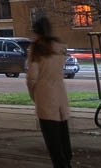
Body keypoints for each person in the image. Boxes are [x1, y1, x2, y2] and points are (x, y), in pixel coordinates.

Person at [26, 16, 72, 168]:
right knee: (63, 138)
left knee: (53, 143)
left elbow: (32, 77)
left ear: (37, 32)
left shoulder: (36, 49)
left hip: (45, 97)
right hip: (60, 96)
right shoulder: (59, 47)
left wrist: (34, 95)